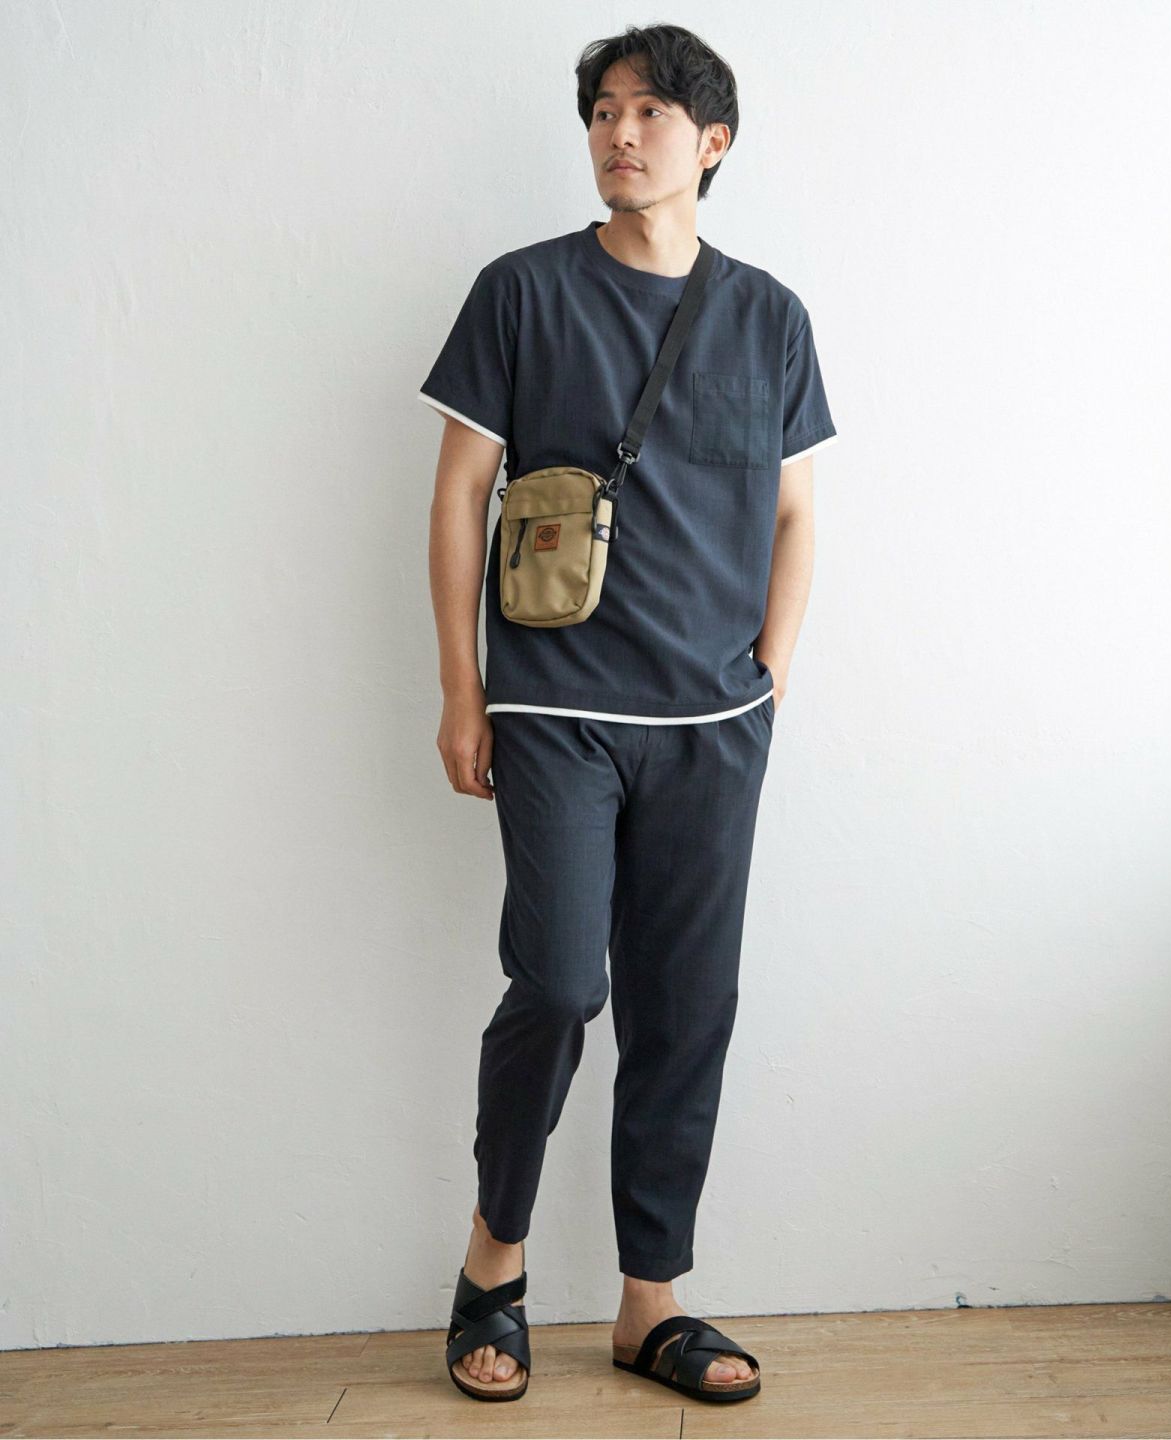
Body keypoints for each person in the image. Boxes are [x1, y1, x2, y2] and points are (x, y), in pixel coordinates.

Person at [422, 22, 837, 1404]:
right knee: (558, 983)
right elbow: (459, 495)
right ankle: (493, 1259)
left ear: (712, 142)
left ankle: (649, 1300)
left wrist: (772, 664)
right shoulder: (523, 293)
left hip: (714, 724)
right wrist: (461, 688)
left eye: (650, 111)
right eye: (604, 110)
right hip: (553, 706)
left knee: (686, 1006)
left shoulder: (770, 316)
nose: (619, 132)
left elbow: (795, 510)